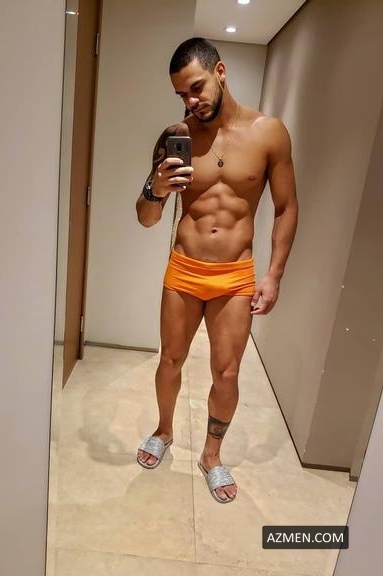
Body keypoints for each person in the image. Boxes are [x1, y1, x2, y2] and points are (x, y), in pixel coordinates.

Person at [135, 38, 298, 504]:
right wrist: (156, 187)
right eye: (181, 94)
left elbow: (286, 207)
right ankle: (164, 431)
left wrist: (274, 275)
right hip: (184, 269)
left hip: (235, 276)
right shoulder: (175, 136)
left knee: (226, 374)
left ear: (220, 71)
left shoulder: (270, 134)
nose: (191, 101)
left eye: (196, 87)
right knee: (170, 360)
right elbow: (146, 219)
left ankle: (212, 455)